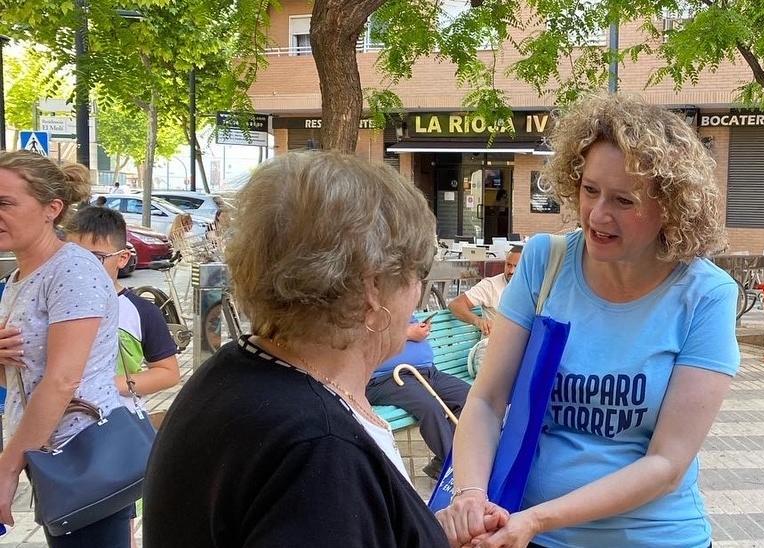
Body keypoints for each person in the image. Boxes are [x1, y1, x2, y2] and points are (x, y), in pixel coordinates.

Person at [437, 95, 741, 547]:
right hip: (523, 531)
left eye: (624, 200)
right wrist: (471, 494)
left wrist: (538, 520)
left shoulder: (705, 294)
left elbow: (667, 464)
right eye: (590, 189)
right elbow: (486, 400)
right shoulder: (545, 261)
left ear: (672, 207)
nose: (599, 215)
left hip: (649, 537)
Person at [144, 152, 473, 546]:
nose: (419, 291)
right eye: (419, 273)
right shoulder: (320, 451)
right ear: (372, 290)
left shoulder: (235, 371)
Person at [0, 152, 128, 546]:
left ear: (51, 209)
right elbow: (18, 375)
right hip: (48, 454)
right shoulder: (21, 276)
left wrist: (6, 470)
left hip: (85, 456)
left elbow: (62, 380)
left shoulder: (72, 270)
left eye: (5, 203)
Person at [64, 207, 181, 407]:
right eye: (73, 257)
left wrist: (107, 385)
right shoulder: (51, 306)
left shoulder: (142, 311)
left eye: (96, 258)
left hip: (118, 424)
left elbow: (168, 373)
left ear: (122, 258)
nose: (82, 267)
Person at [366, 317, 471, 480]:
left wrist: (420, 328)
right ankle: (456, 471)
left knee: (470, 398)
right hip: (388, 377)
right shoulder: (365, 308)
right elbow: (362, 339)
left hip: (429, 372)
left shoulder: (401, 305)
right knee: (431, 407)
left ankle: (443, 461)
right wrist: (407, 333)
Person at [447, 246, 522, 336]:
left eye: (516, 266)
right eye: (508, 265)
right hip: (492, 344)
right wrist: (478, 321)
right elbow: (455, 305)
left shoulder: (532, 288)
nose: (511, 271)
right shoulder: (490, 285)